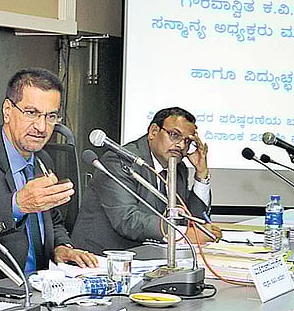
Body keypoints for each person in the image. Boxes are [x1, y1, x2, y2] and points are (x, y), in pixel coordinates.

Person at [0, 68, 97, 281]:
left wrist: (61, 246)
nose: (41, 127)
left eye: (51, 116)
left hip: (42, 287)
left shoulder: (43, 160)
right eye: (31, 113)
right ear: (7, 110)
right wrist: (17, 205)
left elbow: (53, 220)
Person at [72, 107, 222, 253]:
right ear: (153, 132)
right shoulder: (120, 161)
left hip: (149, 255)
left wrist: (201, 173)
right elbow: (128, 220)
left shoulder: (178, 168)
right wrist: (183, 234)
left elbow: (192, 220)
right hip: (102, 258)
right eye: (175, 135)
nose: (181, 145)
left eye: (188, 142)